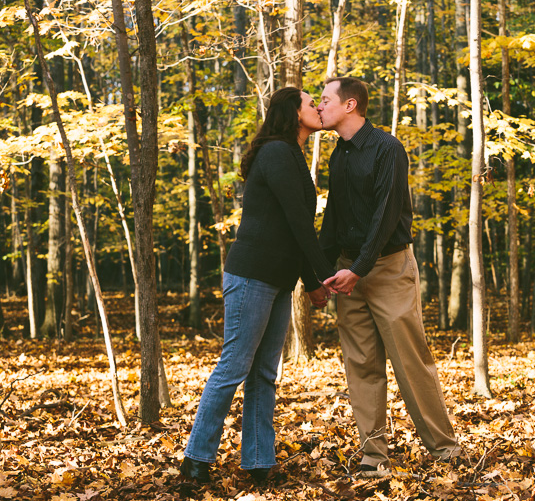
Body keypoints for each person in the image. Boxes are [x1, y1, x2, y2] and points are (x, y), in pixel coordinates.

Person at [180, 87, 334, 486]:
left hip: (278, 280)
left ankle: (259, 462)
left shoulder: (291, 154)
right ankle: (196, 459)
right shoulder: (277, 153)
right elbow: (300, 223)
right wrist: (322, 276)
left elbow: (292, 227)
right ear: (292, 112)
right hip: (252, 275)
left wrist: (310, 282)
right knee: (234, 366)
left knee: (264, 373)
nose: (318, 108)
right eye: (310, 103)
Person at [317, 77, 461, 475]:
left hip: (388, 268)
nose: (319, 108)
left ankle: (445, 449)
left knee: (410, 361)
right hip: (347, 273)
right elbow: (334, 217)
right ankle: (373, 456)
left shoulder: (387, 148)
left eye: (326, 100)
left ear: (350, 105)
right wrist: (322, 272)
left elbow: (386, 215)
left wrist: (358, 269)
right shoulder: (338, 155)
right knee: (360, 363)